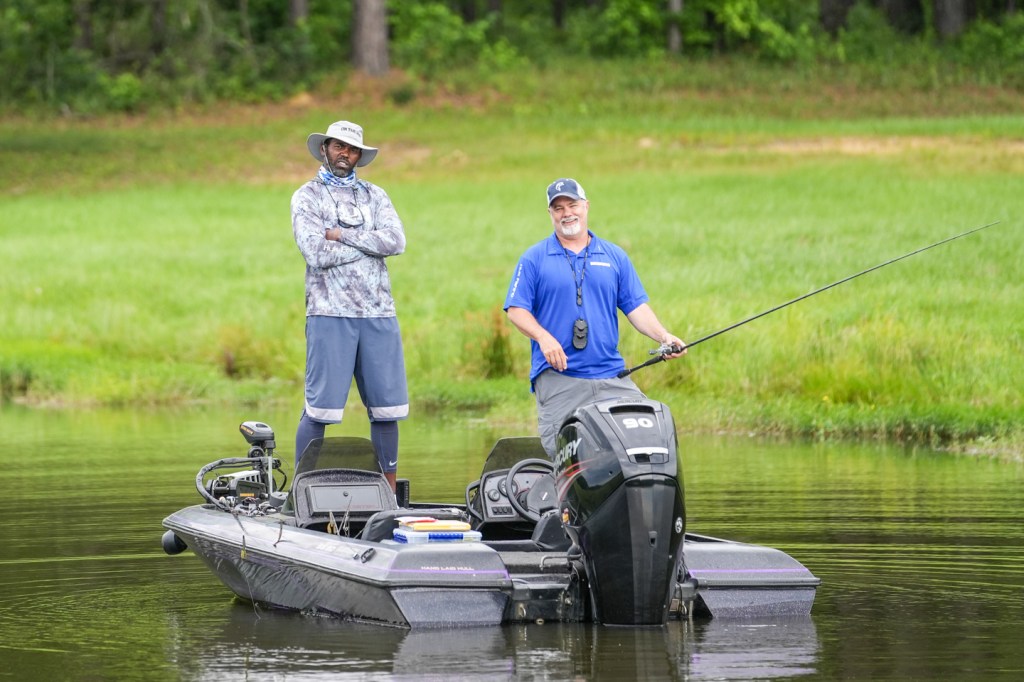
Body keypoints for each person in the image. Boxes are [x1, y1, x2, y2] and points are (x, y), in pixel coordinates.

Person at [504, 178, 687, 456]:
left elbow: (635, 308)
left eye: (572, 205)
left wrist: (664, 336)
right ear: (550, 214)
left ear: (586, 206)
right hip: (559, 380)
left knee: (647, 444)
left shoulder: (614, 256)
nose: (567, 213)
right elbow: (516, 310)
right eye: (558, 208)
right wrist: (543, 337)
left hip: (613, 377)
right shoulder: (534, 258)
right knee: (569, 458)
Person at [291, 120, 408, 491]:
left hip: (379, 312)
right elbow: (315, 252)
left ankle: (389, 493)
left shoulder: (376, 195)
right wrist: (368, 245)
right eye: (339, 146)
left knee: (387, 410)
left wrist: (340, 234)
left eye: (353, 149)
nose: (346, 154)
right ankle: (302, 489)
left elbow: (396, 241)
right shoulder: (307, 196)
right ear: (324, 148)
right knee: (320, 410)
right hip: (329, 313)